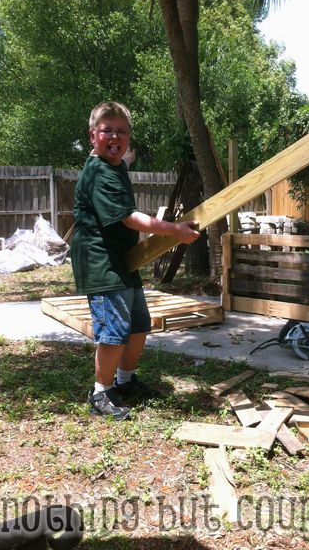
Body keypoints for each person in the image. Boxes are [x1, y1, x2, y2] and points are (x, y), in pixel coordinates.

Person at [71, 101, 200, 420]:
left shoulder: (115, 165)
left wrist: (119, 150)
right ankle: (101, 394)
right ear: (92, 136)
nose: (114, 137)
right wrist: (173, 231)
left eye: (121, 131)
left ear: (129, 136)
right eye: (106, 131)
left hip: (122, 260)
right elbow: (129, 218)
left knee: (138, 324)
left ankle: (125, 382)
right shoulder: (100, 171)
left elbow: (122, 153)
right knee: (113, 330)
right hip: (101, 262)